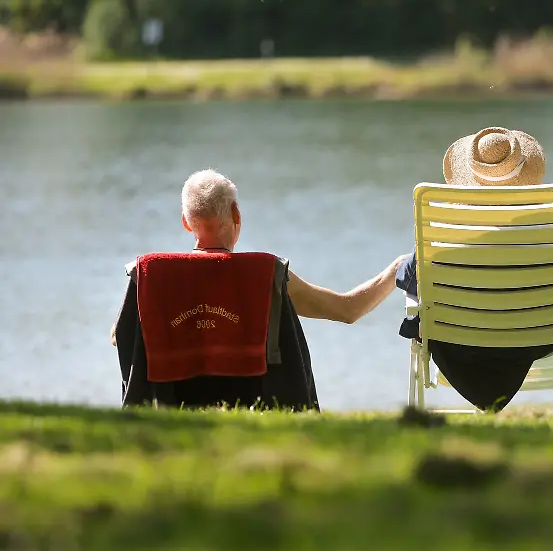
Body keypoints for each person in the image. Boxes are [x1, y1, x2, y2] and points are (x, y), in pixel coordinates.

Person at [112, 169, 407, 409]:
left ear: (187, 224)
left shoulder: (151, 277)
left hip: (174, 400)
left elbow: (119, 336)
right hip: (258, 399)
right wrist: (397, 269)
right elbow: (347, 309)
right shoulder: (267, 275)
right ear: (236, 214)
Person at [396, 127, 553, 412]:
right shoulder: (550, 220)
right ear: (525, 174)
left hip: (454, 343)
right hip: (533, 340)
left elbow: (409, 279)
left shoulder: (446, 226)